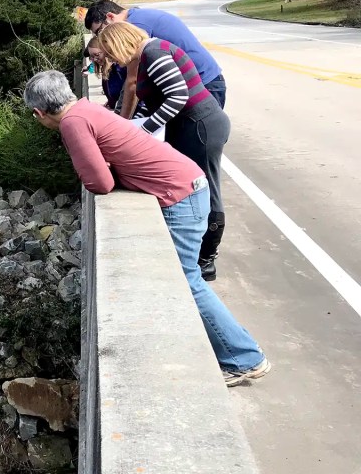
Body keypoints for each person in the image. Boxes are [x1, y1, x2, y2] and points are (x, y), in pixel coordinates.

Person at [22, 70, 270, 386]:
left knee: (187, 280)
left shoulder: (72, 123)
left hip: (182, 196)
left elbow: (99, 182)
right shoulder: (87, 108)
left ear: (39, 113)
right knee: (185, 279)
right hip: (187, 186)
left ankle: (244, 357)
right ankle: (236, 350)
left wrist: (98, 169)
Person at [96, 22, 227, 281]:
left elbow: (177, 96)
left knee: (205, 189)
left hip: (200, 126)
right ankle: (196, 251)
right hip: (186, 127)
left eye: (111, 54)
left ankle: (206, 258)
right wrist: (125, 128)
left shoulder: (154, 53)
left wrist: (144, 130)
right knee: (192, 187)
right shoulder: (145, 57)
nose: (114, 61)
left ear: (121, 43)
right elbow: (151, 100)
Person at [83, 0, 227, 115]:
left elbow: (132, 82)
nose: (101, 38)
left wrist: (123, 123)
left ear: (110, 17)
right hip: (194, 84)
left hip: (205, 84)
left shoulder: (134, 27)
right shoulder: (137, 15)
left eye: (100, 31)